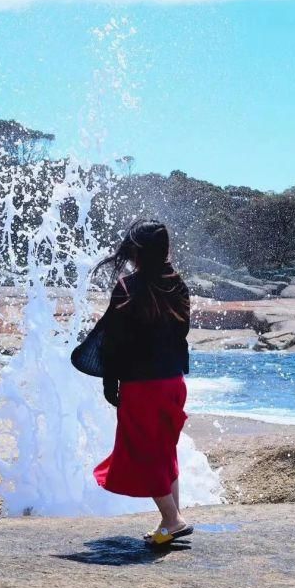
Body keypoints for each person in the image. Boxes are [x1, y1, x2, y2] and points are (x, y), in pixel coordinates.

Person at [88, 219, 193, 547]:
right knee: (163, 450)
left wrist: (109, 380)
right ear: (165, 249)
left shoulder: (128, 288)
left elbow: (112, 341)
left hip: (142, 387)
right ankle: (168, 522)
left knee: (144, 452)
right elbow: (181, 333)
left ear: (137, 251)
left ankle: (174, 518)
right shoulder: (178, 285)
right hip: (173, 382)